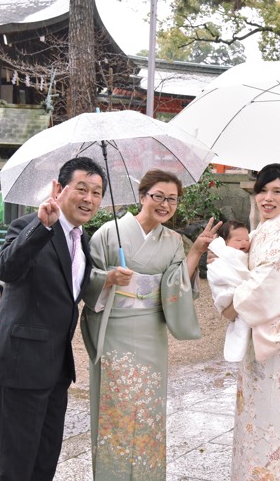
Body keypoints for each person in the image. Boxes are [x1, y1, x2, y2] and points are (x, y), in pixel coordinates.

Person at [80, 169, 220, 480]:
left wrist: (196, 250)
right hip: (114, 329)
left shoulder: (172, 241)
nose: (165, 204)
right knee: (115, 410)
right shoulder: (107, 233)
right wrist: (109, 279)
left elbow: (175, 285)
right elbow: (86, 281)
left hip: (151, 332)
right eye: (158, 196)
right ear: (143, 196)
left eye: (172, 199)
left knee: (147, 412)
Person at [0, 156, 107, 481]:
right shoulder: (29, 226)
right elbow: (5, 269)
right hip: (22, 366)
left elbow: (70, 295)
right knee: (17, 466)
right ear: (59, 189)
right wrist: (42, 226)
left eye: (96, 192)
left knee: (44, 462)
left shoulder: (84, 241)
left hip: (56, 371)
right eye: (81, 189)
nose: (88, 199)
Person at [223, 163, 280, 480]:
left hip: (275, 342)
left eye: (278, 191)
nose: (268, 198)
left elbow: (263, 284)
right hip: (259, 336)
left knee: (270, 422)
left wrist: (233, 303)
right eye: (263, 190)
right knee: (254, 417)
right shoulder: (262, 230)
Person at [207, 220, 252, 362]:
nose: (244, 243)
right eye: (238, 240)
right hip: (230, 292)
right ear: (225, 242)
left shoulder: (247, 255)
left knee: (244, 322)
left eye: (247, 239)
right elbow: (219, 274)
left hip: (241, 294)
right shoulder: (222, 256)